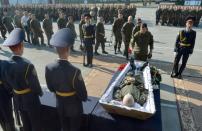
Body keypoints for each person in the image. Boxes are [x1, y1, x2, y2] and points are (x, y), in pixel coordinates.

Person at [45, 28, 88, 131]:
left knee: (64, 127)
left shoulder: (49, 67)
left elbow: (50, 88)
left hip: (60, 104)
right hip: (74, 107)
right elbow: (83, 95)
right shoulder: (75, 71)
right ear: (69, 49)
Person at [2, 28, 43, 131]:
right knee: (36, 124)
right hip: (30, 100)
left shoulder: (5, 64)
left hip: (17, 99)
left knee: (25, 124)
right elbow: (36, 87)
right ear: (21, 46)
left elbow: (7, 84)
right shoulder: (27, 65)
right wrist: (40, 93)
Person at [0, 60, 16, 131]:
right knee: (8, 115)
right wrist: (10, 92)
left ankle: (5, 129)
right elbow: (9, 80)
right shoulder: (4, 63)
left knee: (1, 116)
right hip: (3, 93)